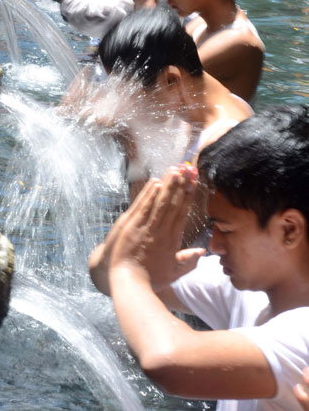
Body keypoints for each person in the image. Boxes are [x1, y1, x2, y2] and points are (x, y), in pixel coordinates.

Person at [90, 104, 309, 411]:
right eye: (212, 228)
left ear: (289, 230)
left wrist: (130, 269)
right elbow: (105, 279)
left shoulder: (303, 332)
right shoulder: (246, 289)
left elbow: (167, 360)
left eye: (226, 229)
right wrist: (133, 240)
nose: (214, 245)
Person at [92, 5, 252, 205]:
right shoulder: (195, 111)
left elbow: (153, 232)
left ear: (170, 79)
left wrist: (131, 148)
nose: (126, 104)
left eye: (132, 95)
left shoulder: (218, 143)